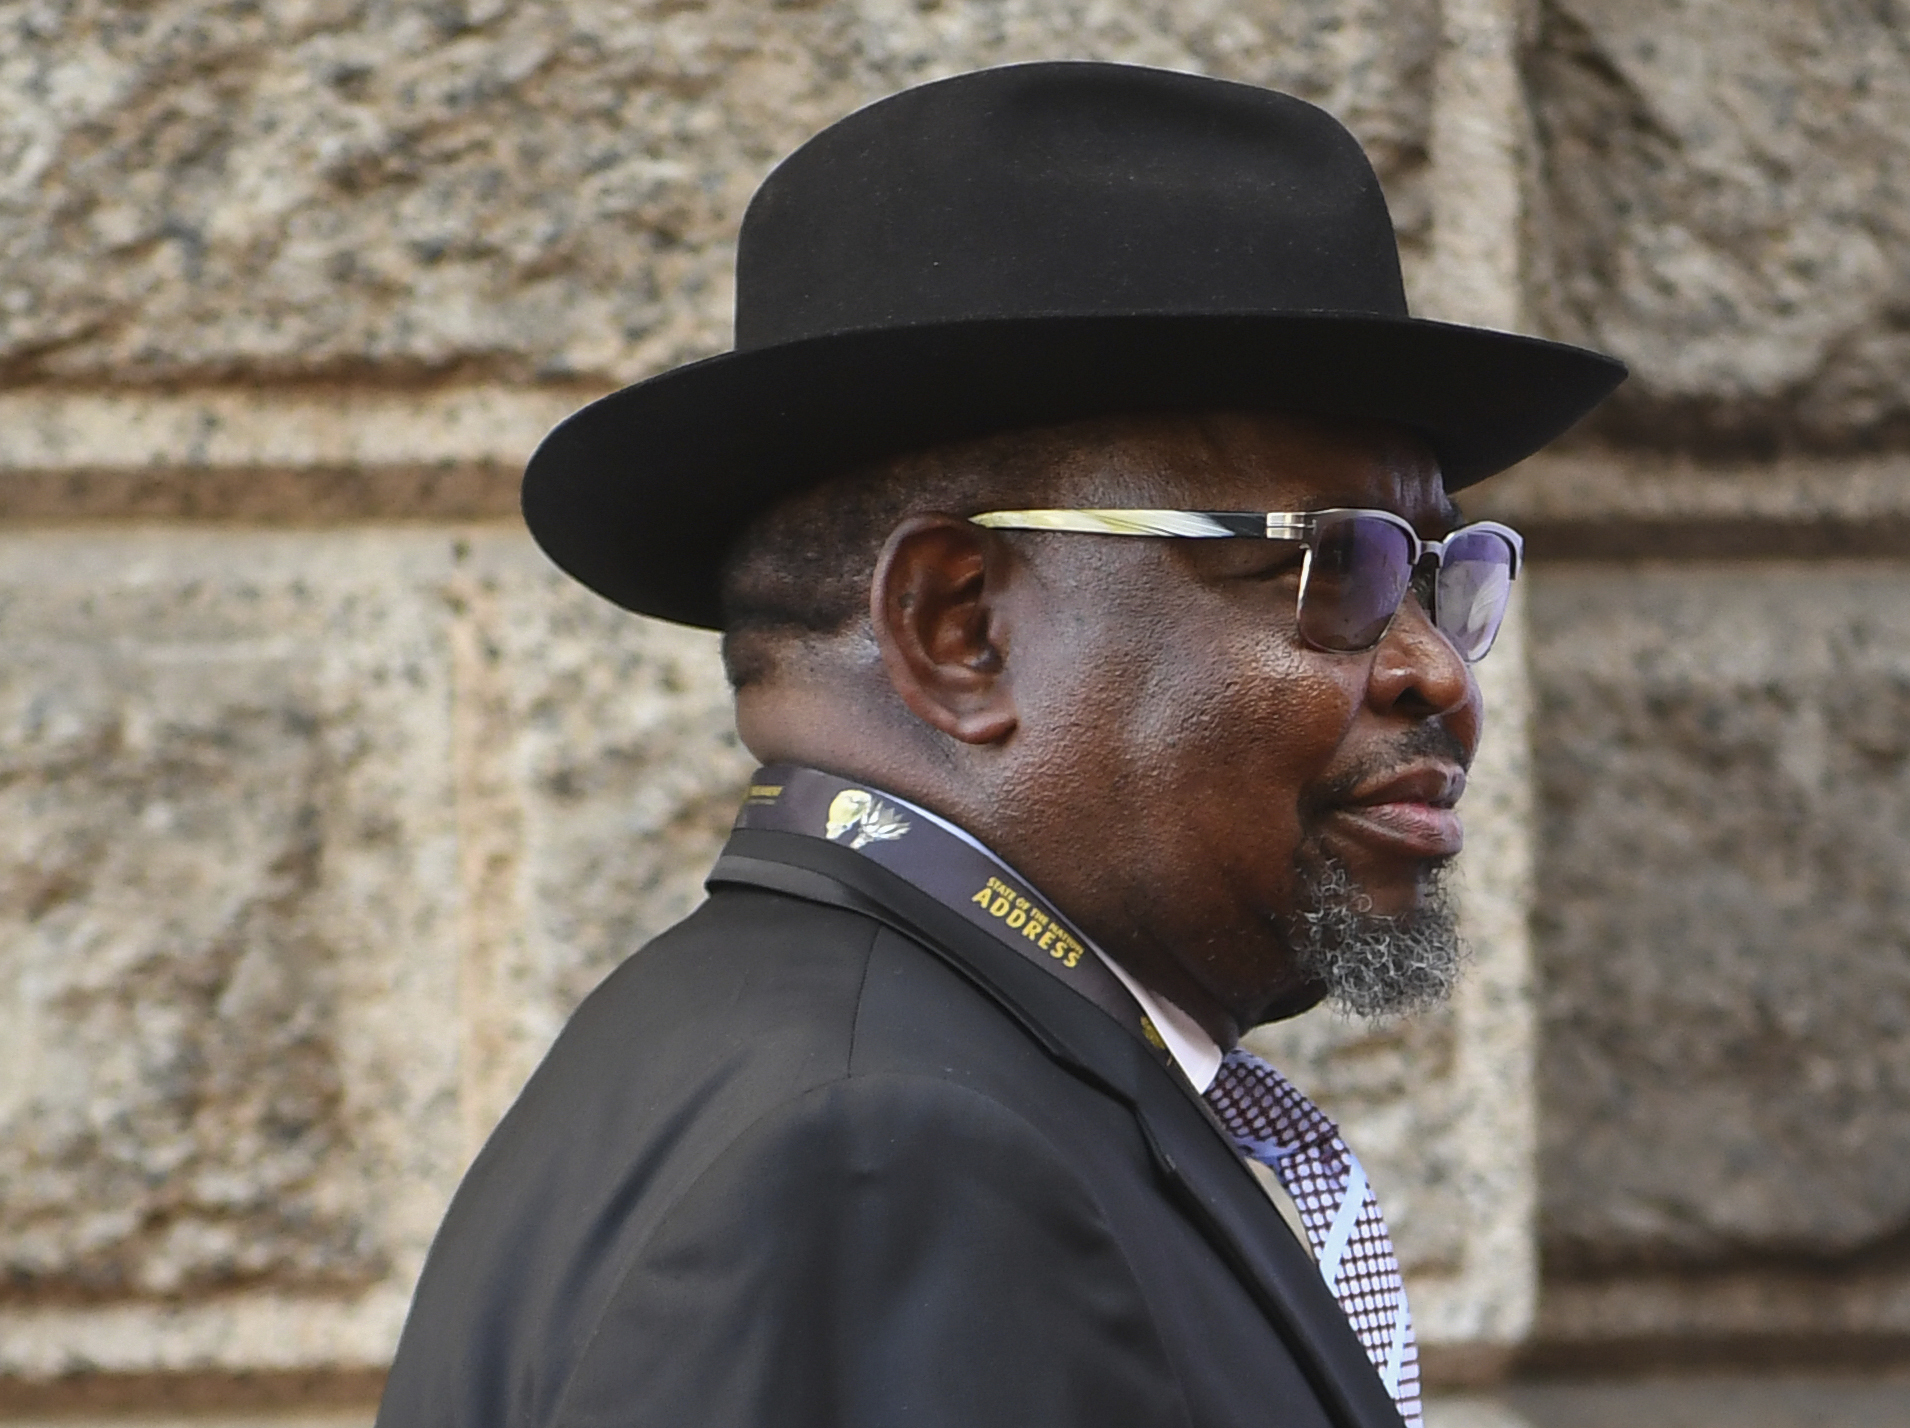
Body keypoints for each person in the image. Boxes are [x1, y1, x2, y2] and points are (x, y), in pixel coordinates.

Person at [377, 60, 1622, 1428]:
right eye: (1334, 568)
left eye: (1443, 575)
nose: (1435, 669)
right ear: (957, 626)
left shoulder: (785, 1054)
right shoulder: (885, 1151)